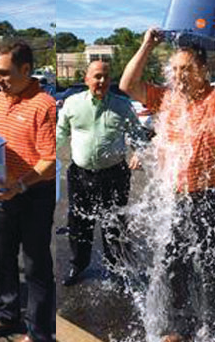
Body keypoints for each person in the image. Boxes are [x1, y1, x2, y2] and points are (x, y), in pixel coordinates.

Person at [119, 28, 215, 342]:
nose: (179, 75)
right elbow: (126, 84)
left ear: (203, 71)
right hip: (173, 194)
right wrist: (147, 43)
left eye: (186, 68)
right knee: (174, 262)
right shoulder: (165, 99)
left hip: (207, 193)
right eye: (174, 69)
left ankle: (213, 327)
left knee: (211, 264)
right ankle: (176, 328)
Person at [0, 40, 56, 342]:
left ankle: (39, 332)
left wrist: (20, 185)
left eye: (5, 73)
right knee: (3, 258)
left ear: (26, 69)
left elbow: (49, 161)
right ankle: (7, 317)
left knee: (36, 265)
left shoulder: (44, 104)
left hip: (34, 193)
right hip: (3, 190)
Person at [56, 60, 147, 286]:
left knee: (115, 223)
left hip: (114, 175)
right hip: (80, 175)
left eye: (106, 76)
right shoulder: (72, 104)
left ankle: (116, 269)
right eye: (97, 76)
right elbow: (60, 134)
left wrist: (138, 153)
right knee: (79, 224)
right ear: (86, 79)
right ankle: (78, 264)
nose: (102, 81)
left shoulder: (122, 105)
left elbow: (138, 136)